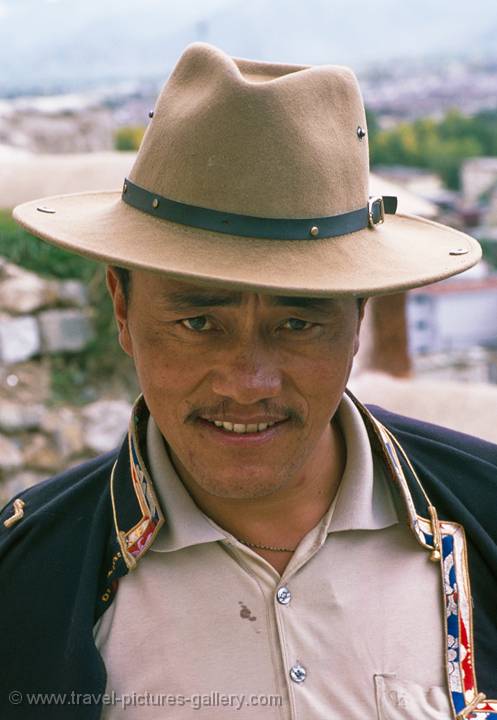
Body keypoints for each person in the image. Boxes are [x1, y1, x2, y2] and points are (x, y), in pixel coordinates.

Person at [1, 42, 496, 720]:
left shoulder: (484, 518)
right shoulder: (27, 578)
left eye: (297, 325)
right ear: (122, 305)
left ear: (357, 319)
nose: (248, 383)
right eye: (199, 321)